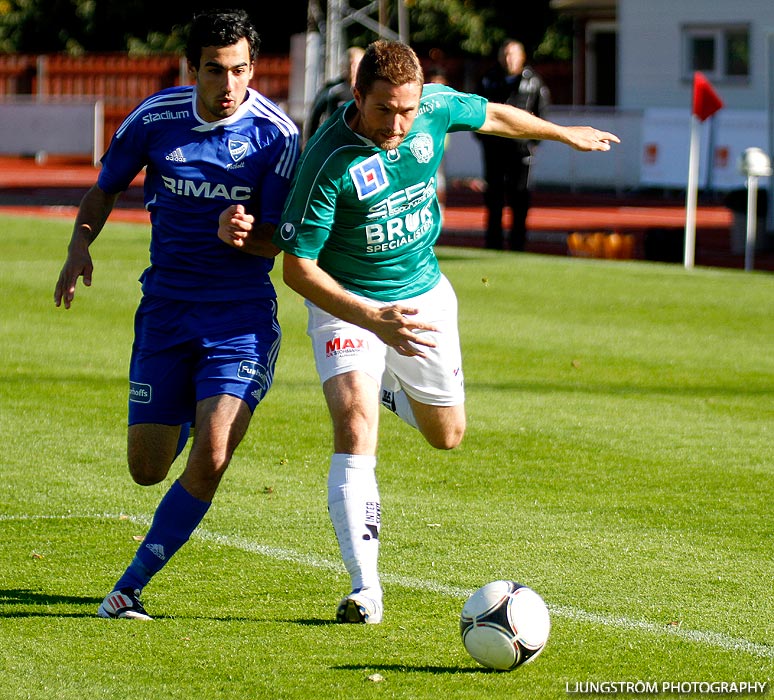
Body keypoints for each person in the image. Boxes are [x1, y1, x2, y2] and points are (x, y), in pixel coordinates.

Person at [224, 39, 617, 625]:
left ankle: (386, 389)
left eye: (408, 109)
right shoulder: (330, 159)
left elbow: (495, 114)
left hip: (424, 296)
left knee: (447, 434)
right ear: (357, 96)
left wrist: (562, 134)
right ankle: (365, 589)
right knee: (355, 424)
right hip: (348, 302)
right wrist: (370, 319)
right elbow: (297, 268)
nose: (399, 123)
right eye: (385, 110)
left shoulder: (433, 108)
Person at [54, 8, 299, 620]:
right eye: (215, 71)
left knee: (212, 456)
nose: (228, 85)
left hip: (238, 319)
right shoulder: (156, 117)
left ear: (253, 69)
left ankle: (128, 588)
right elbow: (105, 187)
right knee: (146, 469)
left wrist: (248, 236)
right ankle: (192, 409)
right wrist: (79, 244)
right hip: (164, 312)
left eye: (240, 70)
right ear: (193, 68)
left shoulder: (277, 137)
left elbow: (286, 240)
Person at [476, 39, 551, 251]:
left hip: (521, 150)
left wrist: (533, 141)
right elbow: (477, 109)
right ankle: (493, 244)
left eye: (512, 54)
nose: (508, 59)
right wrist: (484, 139)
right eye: (505, 54)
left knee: (520, 198)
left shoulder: (534, 81)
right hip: (494, 149)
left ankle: (518, 246)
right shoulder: (488, 79)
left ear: (522, 57)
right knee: (494, 198)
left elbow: (542, 112)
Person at [304, 46, 365, 143]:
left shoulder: (368, 91)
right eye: (349, 64)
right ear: (342, 66)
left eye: (356, 65)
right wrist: (309, 142)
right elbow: (315, 115)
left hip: (361, 142)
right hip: (335, 141)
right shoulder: (332, 89)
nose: (352, 68)